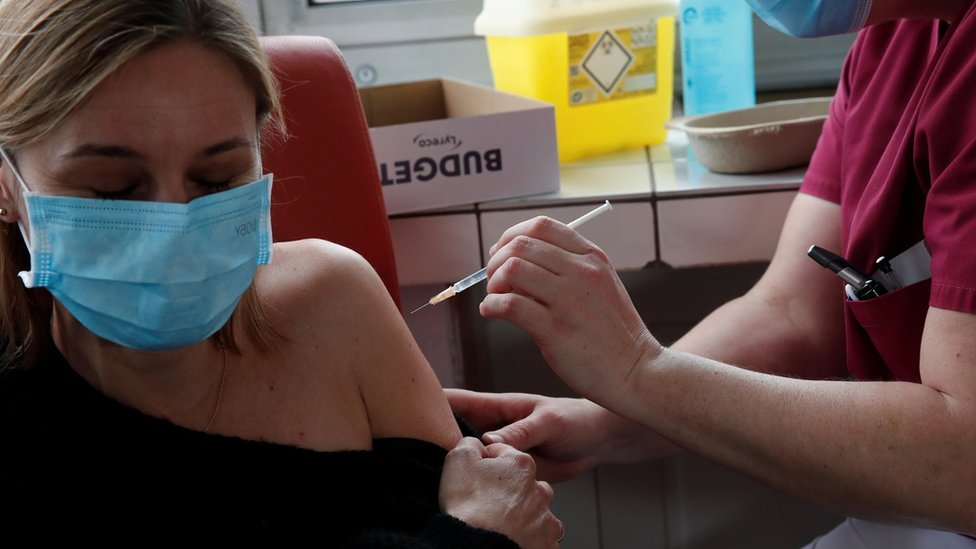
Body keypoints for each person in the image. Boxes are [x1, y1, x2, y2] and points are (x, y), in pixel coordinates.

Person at [0, 0, 563, 545]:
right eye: (112, 189)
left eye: (218, 178)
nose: (175, 229)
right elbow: (484, 523)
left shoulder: (333, 298)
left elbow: (495, 505)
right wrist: (479, 539)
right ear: (7, 186)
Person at [448, 0, 976, 545]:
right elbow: (794, 314)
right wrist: (602, 420)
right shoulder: (893, 43)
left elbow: (966, 459)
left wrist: (638, 372)